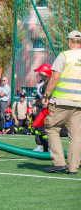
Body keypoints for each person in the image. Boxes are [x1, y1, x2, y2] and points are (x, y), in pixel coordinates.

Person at [42, 30, 81, 175]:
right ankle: (73, 168)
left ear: (69, 41)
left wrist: (46, 96)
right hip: (79, 103)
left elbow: (54, 78)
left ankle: (58, 163)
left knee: (51, 127)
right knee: (76, 136)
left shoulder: (64, 55)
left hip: (62, 101)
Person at [32, 63, 52, 152]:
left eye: (40, 72)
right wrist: (36, 104)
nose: (38, 73)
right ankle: (43, 147)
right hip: (40, 107)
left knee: (43, 129)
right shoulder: (42, 82)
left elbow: (46, 98)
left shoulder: (48, 84)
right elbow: (39, 96)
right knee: (38, 127)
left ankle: (49, 147)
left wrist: (36, 103)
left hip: (45, 108)